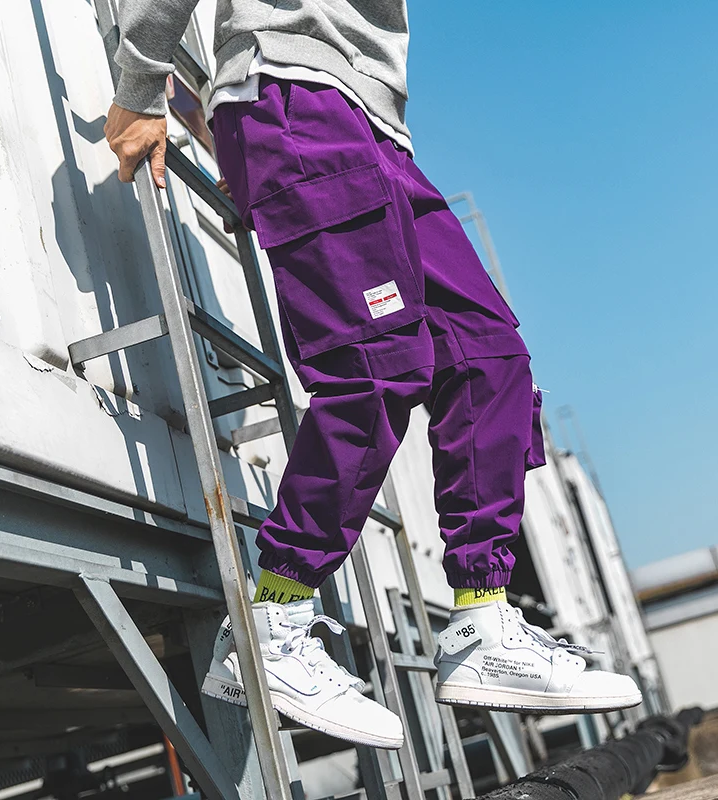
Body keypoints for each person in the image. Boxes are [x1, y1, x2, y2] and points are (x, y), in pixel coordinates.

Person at [104, 0, 641, 750]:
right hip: (292, 96)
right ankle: (273, 620)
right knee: (376, 369)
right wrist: (139, 85)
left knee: (489, 357)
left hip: (378, 127)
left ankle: (483, 619)